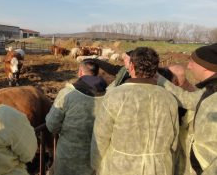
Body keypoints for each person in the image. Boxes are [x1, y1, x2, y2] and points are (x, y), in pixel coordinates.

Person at [91, 47, 179, 175]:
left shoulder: (115, 96)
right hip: (159, 168)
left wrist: (96, 165)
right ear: (155, 70)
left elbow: (100, 137)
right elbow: (174, 142)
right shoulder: (169, 98)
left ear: (131, 66)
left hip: (121, 168)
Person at [157, 43, 217, 175]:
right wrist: (158, 78)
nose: (188, 67)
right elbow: (186, 99)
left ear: (206, 67)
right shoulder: (209, 90)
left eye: (193, 63)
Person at [46, 59, 107, 175]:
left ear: (80, 72)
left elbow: (51, 125)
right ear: (97, 73)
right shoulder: (109, 95)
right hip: (96, 158)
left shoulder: (67, 94)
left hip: (68, 157)